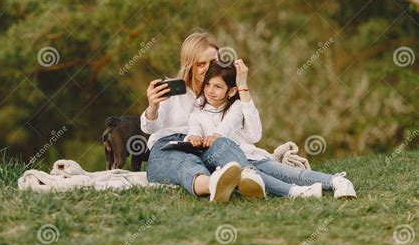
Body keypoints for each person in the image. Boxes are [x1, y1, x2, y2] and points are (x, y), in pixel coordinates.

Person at [185, 60, 358, 200]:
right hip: (234, 166)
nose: (210, 90)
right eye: (207, 85)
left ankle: (339, 182)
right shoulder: (197, 111)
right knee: (255, 175)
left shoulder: (237, 106)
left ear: (231, 92)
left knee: (292, 173)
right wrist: (192, 136)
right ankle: (296, 192)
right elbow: (193, 129)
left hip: (252, 157)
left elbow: (253, 134)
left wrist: (243, 86)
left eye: (217, 87)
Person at [141, 32, 259, 202]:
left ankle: (237, 181)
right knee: (185, 163)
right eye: (200, 64)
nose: (208, 68)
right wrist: (153, 107)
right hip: (168, 148)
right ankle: (214, 184)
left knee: (213, 156)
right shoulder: (173, 90)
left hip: (204, 149)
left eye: (213, 62)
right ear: (190, 66)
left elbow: (250, 133)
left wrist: (242, 86)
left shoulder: (225, 93)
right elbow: (150, 128)